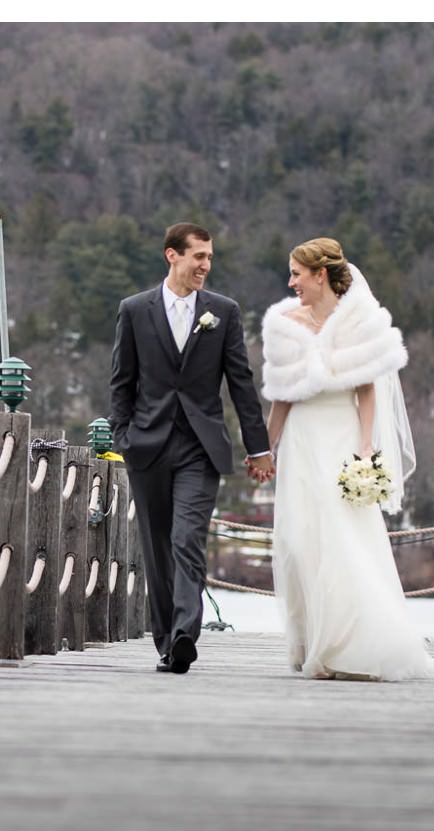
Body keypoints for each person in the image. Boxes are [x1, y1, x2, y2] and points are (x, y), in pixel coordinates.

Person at [259, 237, 434, 681]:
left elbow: (367, 391)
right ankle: (311, 641)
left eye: (297, 274)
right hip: (303, 438)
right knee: (299, 541)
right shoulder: (286, 323)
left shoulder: (359, 320)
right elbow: (282, 397)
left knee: (343, 539)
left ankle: (351, 644)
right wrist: (266, 449)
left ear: (319, 274)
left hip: (342, 438)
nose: (291, 283)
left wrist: (366, 448)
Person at [109, 222, 274, 675]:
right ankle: (166, 641)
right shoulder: (134, 310)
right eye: (198, 256)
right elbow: (121, 383)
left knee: (187, 539)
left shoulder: (224, 312)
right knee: (157, 547)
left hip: (200, 448)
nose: (206, 265)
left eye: (210, 257)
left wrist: (258, 448)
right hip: (147, 446)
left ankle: (185, 632)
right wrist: (123, 437)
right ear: (172, 256)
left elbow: (241, 383)